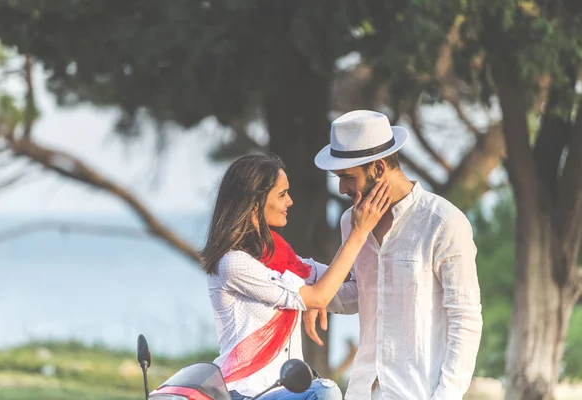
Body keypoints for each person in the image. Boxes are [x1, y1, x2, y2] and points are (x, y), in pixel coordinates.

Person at [305, 110, 483, 400]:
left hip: (418, 392)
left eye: (348, 177)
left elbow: (466, 319)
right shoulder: (351, 222)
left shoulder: (443, 223)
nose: (341, 188)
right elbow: (360, 293)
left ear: (377, 167)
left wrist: (446, 396)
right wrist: (311, 290)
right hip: (362, 390)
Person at [200, 153, 392, 400]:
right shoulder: (233, 263)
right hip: (247, 392)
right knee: (326, 392)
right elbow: (319, 297)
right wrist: (358, 232)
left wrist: (377, 238)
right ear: (254, 203)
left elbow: (347, 291)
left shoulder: (284, 259)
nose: (290, 201)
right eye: (282, 194)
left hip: (286, 390)